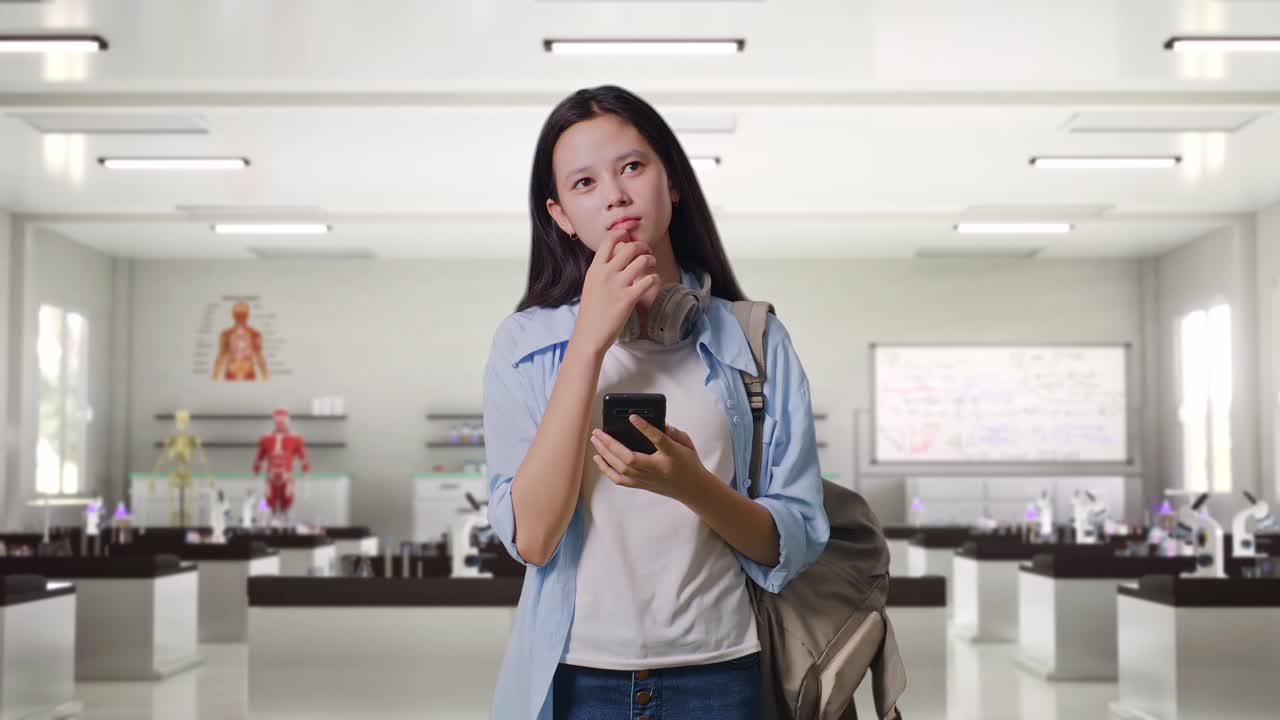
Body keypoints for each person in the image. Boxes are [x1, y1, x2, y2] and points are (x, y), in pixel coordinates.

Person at [483, 85, 829, 720]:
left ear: (671, 182)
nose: (614, 194)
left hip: (721, 674)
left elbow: (795, 539)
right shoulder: (524, 345)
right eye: (584, 183)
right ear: (561, 215)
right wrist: (587, 343)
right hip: (576, 678)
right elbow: (532, 538)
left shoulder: (756, 340)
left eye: (632, 167)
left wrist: (693, 486)